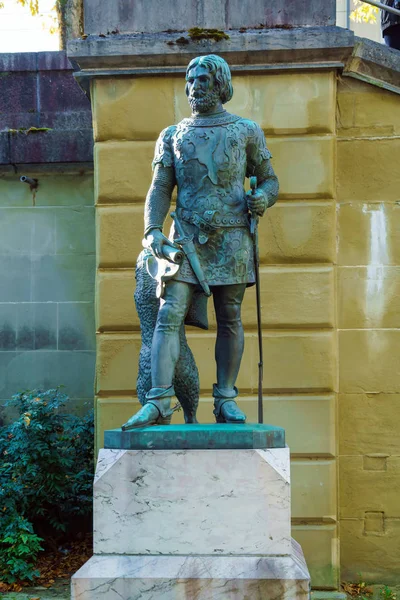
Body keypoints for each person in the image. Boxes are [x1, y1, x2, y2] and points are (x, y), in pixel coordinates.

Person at [122, 54, 279, 430]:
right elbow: (160, 187)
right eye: (191, 79)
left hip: (232, 236)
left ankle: (225, 399)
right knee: (168, 313)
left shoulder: (246, 131)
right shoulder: (172, 134)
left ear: (221, 84)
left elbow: (269, 179)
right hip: (185, 238)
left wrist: (263, 199)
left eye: (204, 79)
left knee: (230, 316)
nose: (195, 86)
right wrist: (152, 230)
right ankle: (159, 400)